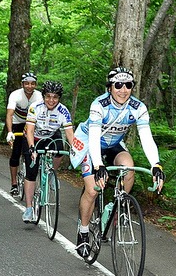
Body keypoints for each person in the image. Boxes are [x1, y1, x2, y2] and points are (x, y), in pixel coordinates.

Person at [70, 67, 165, 258]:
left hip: (114, 143)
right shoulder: (99, 105)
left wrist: (156, 164)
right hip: (91, 143)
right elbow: (95, 136)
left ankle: (115, 206)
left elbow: (146, 137)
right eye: (118, 85)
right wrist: (98, 165)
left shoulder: (138, 108)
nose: (123, 90)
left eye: (128, 85)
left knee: (129, 170)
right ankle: (83, 230)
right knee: (92, 190)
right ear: (110, 87)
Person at [22, 80, 75, 222]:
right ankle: (28, 208)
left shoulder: (63, 110)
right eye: (48, 96)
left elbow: (69, 133)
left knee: (60, 149)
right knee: (31, 172)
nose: (51, 100)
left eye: (55, 97)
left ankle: (52, 173)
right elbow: (31, 130)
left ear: (59, 98)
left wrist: (75, 149)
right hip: (34, 137)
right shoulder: (35, 107)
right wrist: (32, 147)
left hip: (51, 136)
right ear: (43, 96)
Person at [5, 72, 43, 196]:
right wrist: (10, 132)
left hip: (32, 124)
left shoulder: (39, 96)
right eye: (26, 83)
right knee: (16, 153)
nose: (29, 86)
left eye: (32, 84)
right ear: (22, 84)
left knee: (29, 152)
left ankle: (30, 179)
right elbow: (10, 114)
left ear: (35, 85)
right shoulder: (15, 95)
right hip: (17, 123)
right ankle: (14, 183)